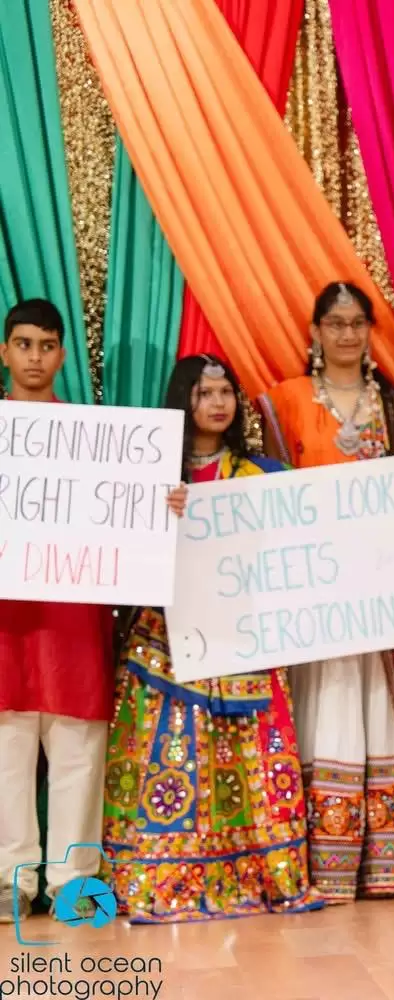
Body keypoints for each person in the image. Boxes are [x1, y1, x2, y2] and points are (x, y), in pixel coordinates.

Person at [105, 355, 321, 921]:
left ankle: (261, 873)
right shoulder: (152, 477)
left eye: (225, 392)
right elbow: (122, 549)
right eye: (204, 393)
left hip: (242, 641)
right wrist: (159, 513)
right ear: (184, 400)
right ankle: (162, 879)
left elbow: (314, 535)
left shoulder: (263, 477)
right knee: (170, 757)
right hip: (166, 645)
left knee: (249, 761)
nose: (218, 403)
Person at [256, 281, 394, 901]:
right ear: (314, 332)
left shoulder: (393, 404)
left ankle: (379, 863)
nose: (346, 334)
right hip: (315, 589)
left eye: (357, 322)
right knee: (324, 695)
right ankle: (319, 863)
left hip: (379, 588)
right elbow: (268, 488)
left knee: (373, 698)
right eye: (334, 323)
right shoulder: (285, 402)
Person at [0, 299, 115, 925]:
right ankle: (9, 882)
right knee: (6, 749)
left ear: (63, 355)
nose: (35, 357)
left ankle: (75, 883)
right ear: (4, 351)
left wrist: (165, 502)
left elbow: (126, 513)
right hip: (7, 618)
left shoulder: (95, 437)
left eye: (46, 346)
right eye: (24, 344)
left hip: (73, 612)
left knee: (77, 748)